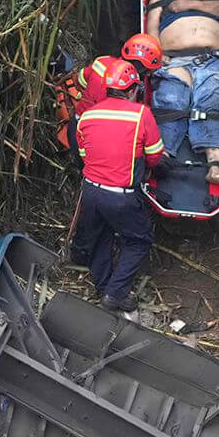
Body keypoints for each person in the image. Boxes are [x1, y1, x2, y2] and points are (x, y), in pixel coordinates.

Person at [73, 58, 164, 312]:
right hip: (120, 195)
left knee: (100, 237)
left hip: (90, 191)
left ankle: (103, 287)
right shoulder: (141, 114)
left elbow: (84, 154)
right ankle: (115, 293)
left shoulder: (88, 115)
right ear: (134, 89)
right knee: (138, 240)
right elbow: (155, 155)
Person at [141, 0, 219, 179]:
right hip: (175, 58)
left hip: (212, 57)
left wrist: (186, 4)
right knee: (170, 99)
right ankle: (162, 154)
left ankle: (214, 165)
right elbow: (152, 25)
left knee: (210, 101)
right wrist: (156, 51)